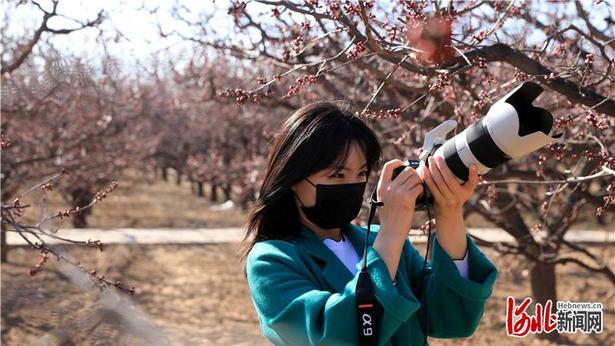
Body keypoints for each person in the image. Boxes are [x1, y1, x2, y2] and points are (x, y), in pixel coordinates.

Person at [240, 100, 498, 345]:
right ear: (293, 179)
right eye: (337, 174)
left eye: (361, 173)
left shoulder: (378, 241)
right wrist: (392, 233)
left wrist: (449, 211)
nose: (351, 185)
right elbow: (335, 337)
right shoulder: (271, 260)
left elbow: (453, 319)